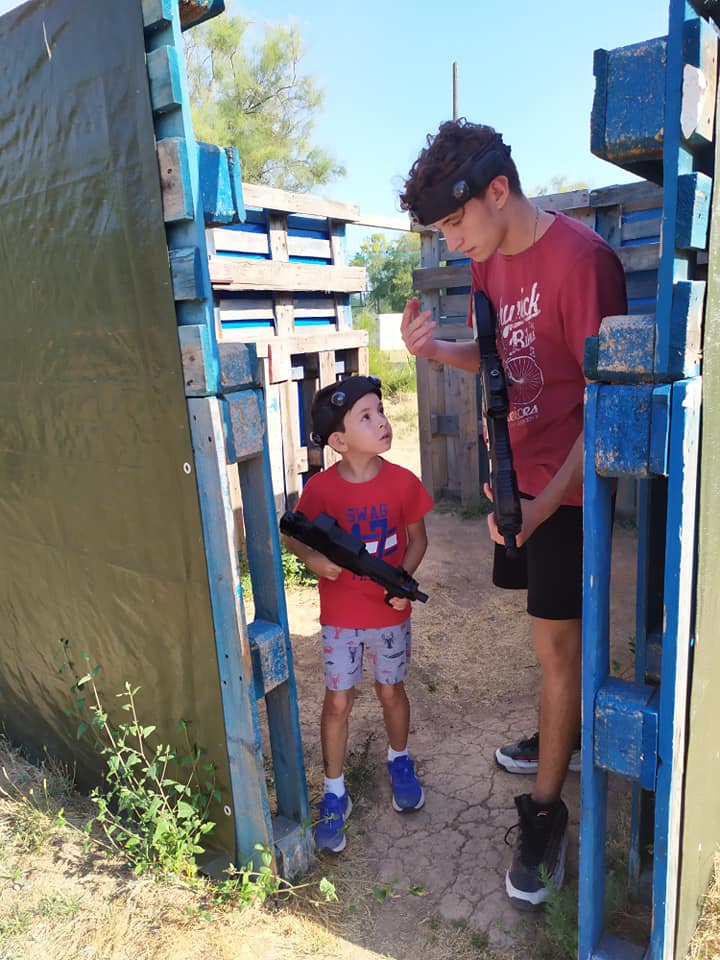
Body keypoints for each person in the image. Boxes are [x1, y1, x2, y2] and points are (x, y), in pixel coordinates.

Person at [398, 119, 627, 908]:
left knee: (559, 647)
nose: (451, 242)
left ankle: (547, 815)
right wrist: (435, 354)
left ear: (498, 190)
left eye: (454, 223)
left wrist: (544, 504)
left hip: (569, 483)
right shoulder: (489, 260)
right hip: (517, 481)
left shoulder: (584, 264)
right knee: (542, 637)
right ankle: (552, 731)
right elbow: (496, 357)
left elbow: (608, 413)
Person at [282, 374, 433, 853]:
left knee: (391, 691)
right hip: (340, 619)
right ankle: (334, 792)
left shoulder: (404, 483)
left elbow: (418, 540)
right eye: (365, 416)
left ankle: (399, 759)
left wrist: (401, 584)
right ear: (339, 442)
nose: (382, 421)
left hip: (388, 616)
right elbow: (293, 533)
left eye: (381, 412)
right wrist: (313, 560)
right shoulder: (322, 490)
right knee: (338, 703)